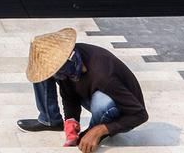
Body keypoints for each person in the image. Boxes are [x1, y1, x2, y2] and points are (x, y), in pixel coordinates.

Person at [18, 28, 149, 152]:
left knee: (102, 101)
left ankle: (94, 129)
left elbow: (140, 115)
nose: (59, 77)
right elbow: (69, 95)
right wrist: (71, 120)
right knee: (42, 72)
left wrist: (100, 130)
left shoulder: (104, 76)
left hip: (121, 111)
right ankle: (50, 120)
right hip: (93, 91)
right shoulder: (68, 61)